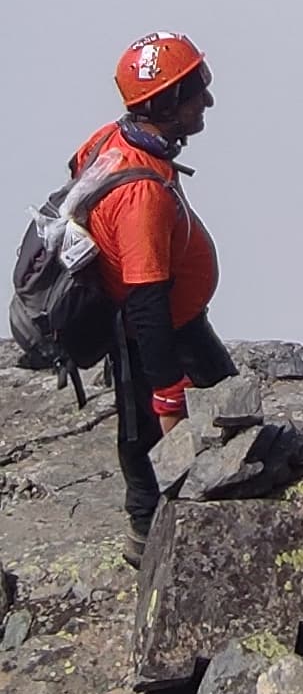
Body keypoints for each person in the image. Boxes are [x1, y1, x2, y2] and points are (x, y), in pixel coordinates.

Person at [74, 34, 235, 562]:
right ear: (165, 104)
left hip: (162, 320)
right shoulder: (140, 194)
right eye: (196, 92)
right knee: (163, 423)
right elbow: (147, 302)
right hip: (162, 328)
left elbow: (78, 172)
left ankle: (149, 525)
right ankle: (150, 532)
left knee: (157, 416)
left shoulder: (109, 141)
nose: (207, 101)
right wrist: (169, 394)